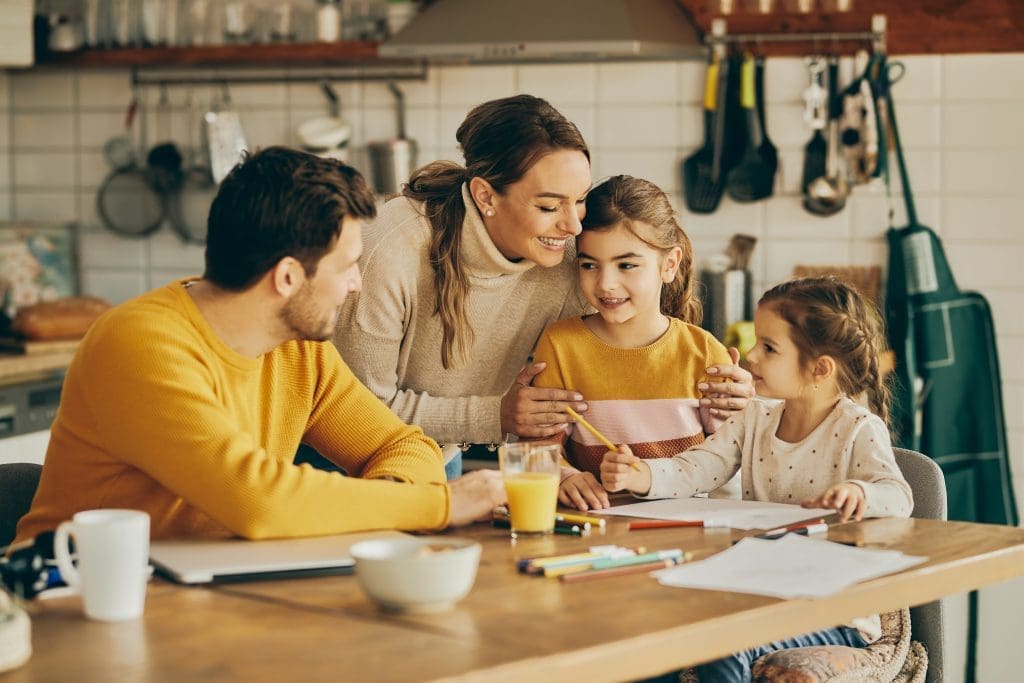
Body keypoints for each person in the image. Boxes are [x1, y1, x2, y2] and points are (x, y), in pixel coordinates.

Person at [14, 147, 505, 545]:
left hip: (213, 594)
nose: (355, 284)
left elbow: (401, 444)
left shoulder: (298, 346)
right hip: (73, 598)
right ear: (288, 277)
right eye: (346, 266)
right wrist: (441, 505)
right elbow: (261, 500)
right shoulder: (141, 344)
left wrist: (389, 504)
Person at [334, 96, 753, 477]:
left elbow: (634, 360)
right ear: (485, 196)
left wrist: (732, 395)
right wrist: (495, 415)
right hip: (335, 456)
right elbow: (357, 409)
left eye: (580, 200)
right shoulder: (391, 250)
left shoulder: (573, 260)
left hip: (431, 455)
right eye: (549, 206)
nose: (573, 226)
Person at [601, 276, 914, 682]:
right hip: (762, 596)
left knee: (723, 645)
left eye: (769, 347)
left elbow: (898, 496)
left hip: (834, 610)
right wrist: (641, 474)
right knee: (653, 637)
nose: (750, 355)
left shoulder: (857, 428)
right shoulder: (756, 417)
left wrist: (860, 492)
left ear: (819, 368)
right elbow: (698, 466)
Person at [528, 176, 734, 511]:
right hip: (592, 528)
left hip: (689, 529)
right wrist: (564, 476)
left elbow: (729, 459)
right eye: (590, 265)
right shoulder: (560, 345)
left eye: (627, 265)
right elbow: (538, 444)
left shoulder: (705, 353)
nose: (607, 284)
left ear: (668, 264)